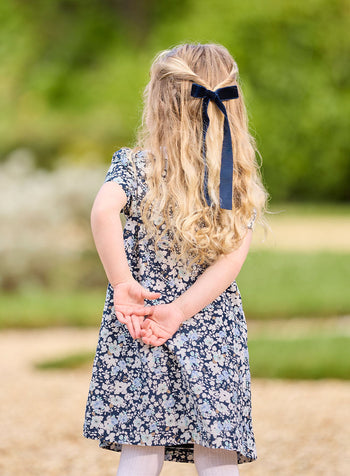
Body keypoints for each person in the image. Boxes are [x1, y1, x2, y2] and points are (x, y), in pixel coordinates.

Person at [83, 43, 269, 476]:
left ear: (158, 104)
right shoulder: (236, 176)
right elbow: (231, 260)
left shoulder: (134, 168)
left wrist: (123, 283)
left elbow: (102, 210)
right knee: (218, 449)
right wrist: (182, 310)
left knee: (144, 445)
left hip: (143, 319)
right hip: (210, 324)